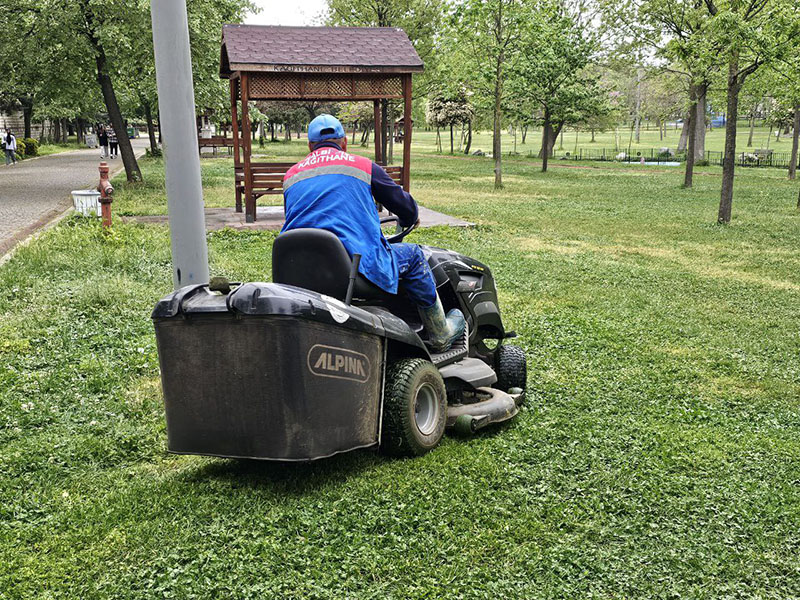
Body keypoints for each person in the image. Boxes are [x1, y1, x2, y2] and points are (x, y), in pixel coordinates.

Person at [280, 114, 465, 352]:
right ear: (344, 142)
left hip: (300, 269)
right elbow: (404, 206)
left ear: (309, 146)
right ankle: (441, 332)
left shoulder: (291, 176)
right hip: (351, 268)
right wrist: (410, 218)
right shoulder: (363, 167)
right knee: (414, 255)